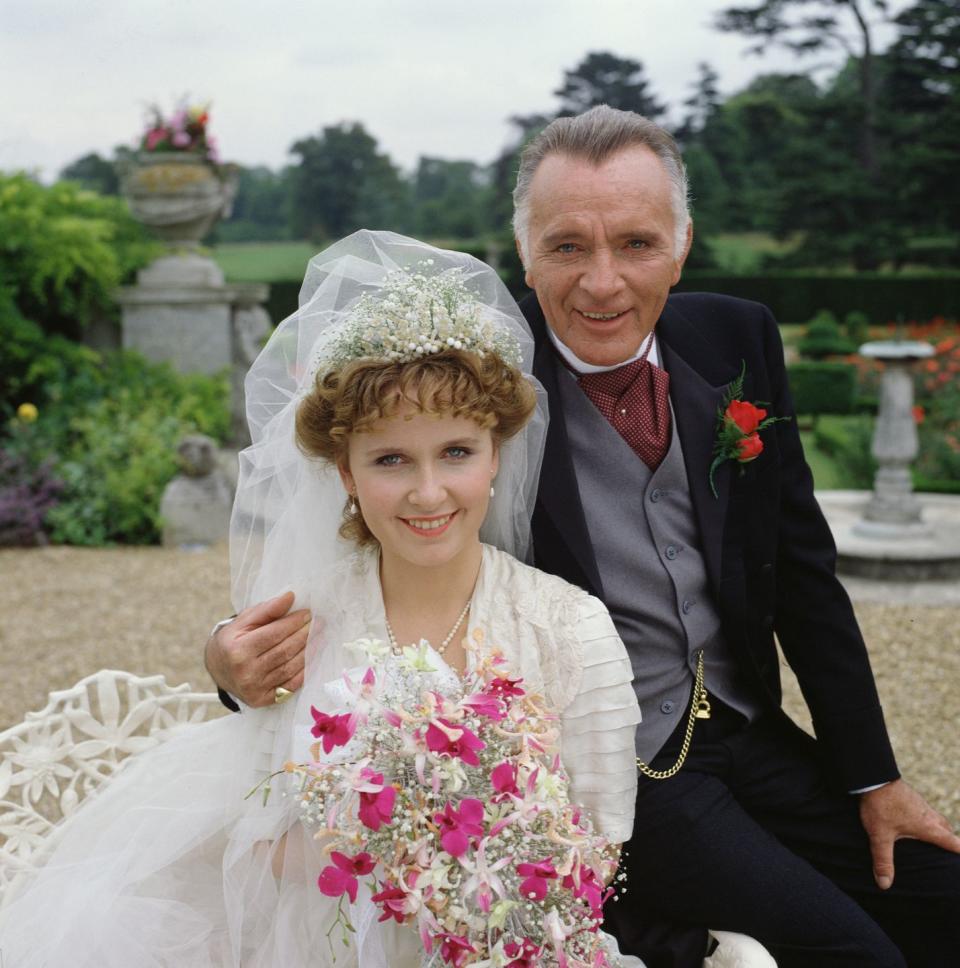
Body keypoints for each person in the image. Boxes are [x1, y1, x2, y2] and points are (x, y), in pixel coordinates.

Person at [207, 108, 960, 968]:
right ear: (524, 251)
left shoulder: (737, 335)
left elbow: (801, 572)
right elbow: (365, 537)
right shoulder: (469, 376)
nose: (602, 282)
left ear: (682, 243)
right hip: (613, 769)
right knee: (851, 952)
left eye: (636, 243)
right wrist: (233, 668)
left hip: (752, 730)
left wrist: (875, 777)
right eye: (567, 247)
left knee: (941, 901)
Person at [0, 232, 644, 967]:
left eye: (456, 453)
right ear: (344, 472)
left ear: (497, 453)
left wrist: (463, 886)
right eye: (390, 459)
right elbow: (254, 823)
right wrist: (389, 848)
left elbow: (594, 855)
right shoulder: (304, 619)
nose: (428, 492)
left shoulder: (571, 631)